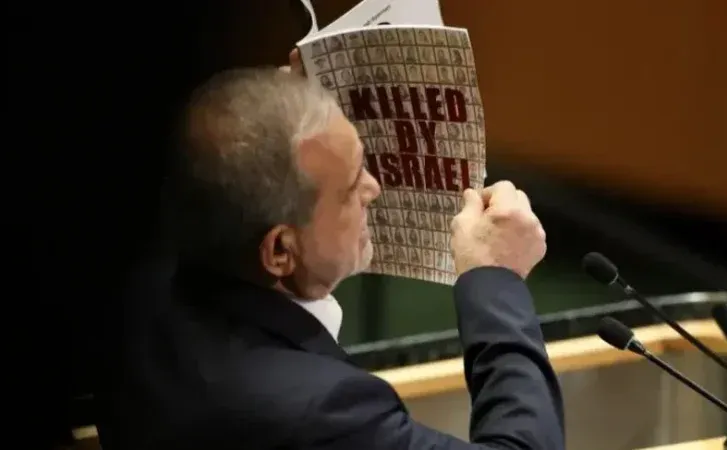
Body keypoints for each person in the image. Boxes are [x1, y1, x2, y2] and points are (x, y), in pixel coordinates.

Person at [99, 58, 564, 450]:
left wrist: (279, 109)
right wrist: (496, 278)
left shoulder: (138, 299)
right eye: (351, 185)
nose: (373, 188)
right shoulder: (320, 411)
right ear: (280, 251)